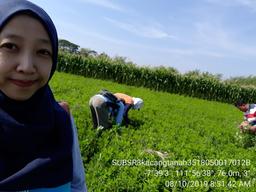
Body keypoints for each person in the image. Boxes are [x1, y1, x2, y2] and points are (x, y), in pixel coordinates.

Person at [0, 0, 87, 191]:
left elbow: (78, 185)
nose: (27, 66)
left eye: (42, 51)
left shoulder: (61, 118)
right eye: (11, 46)